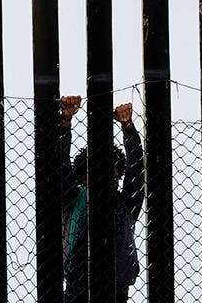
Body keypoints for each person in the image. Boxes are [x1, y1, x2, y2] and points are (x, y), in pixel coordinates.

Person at [59, 96, 144, 303]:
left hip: (116, 292)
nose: (109, 175)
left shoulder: (125, 204)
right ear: (83, 177)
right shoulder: (74, 198)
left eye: (113, 171)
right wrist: (65, 121)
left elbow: (136, 170)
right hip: (77, 290)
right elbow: (60, 163)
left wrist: (128, 128)